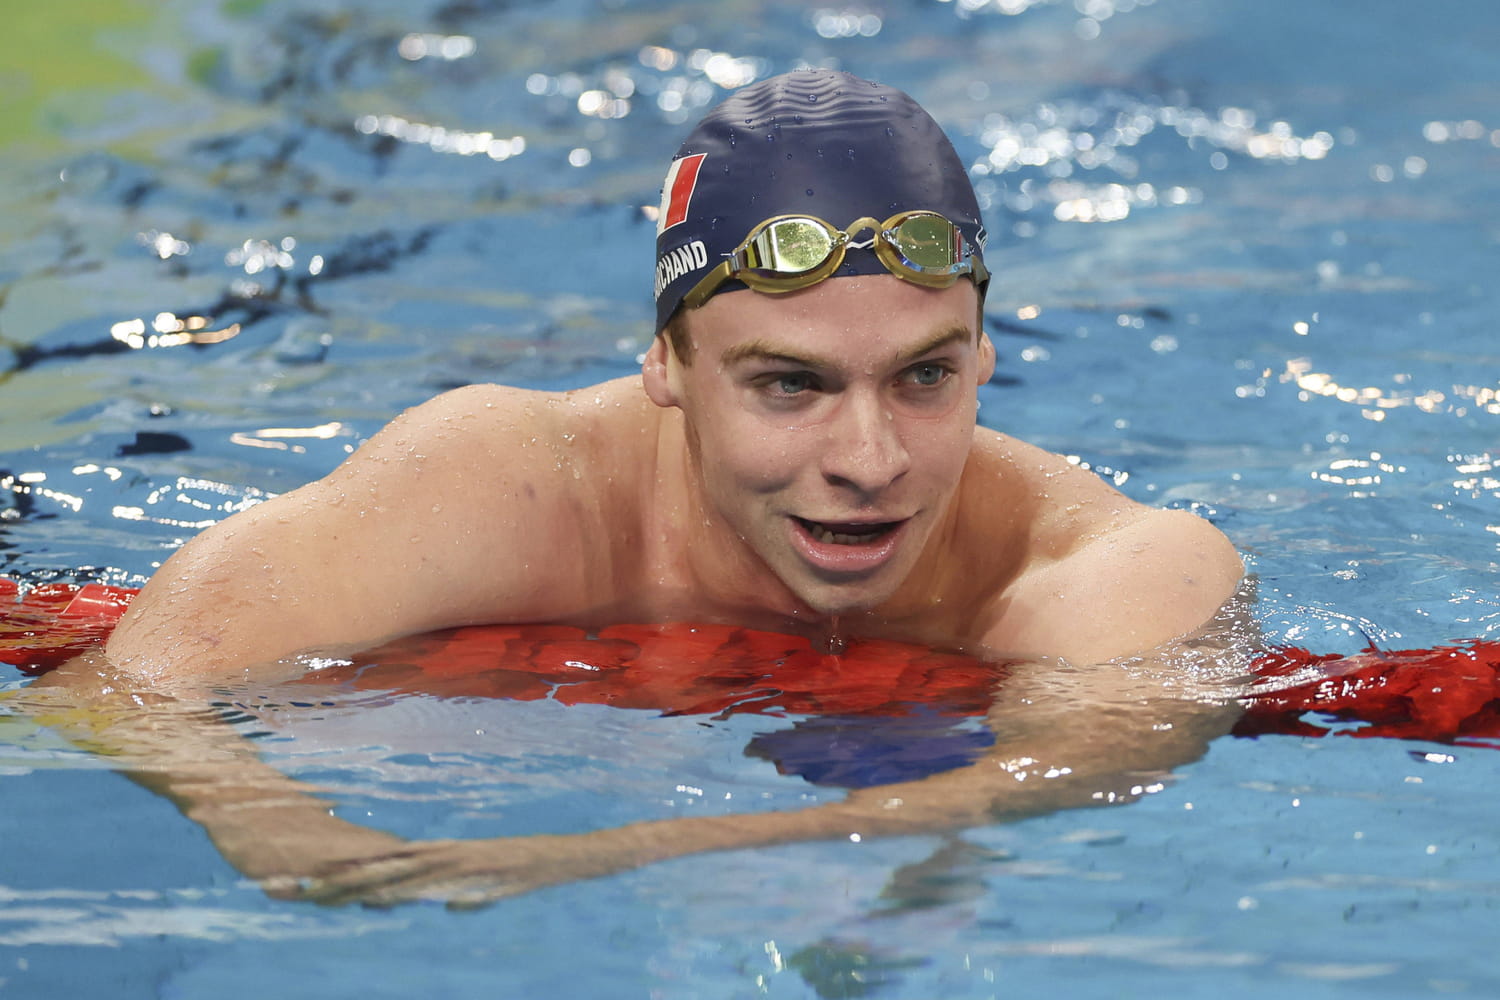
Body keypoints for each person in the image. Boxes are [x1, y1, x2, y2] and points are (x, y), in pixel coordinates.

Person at [25, 70, 1248, 906]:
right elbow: (130, 684)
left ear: (985, 359)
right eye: (789, 385)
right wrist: (300, 839)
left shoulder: (1118, 573)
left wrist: (603, 854)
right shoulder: (510, 483)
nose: (870, 460)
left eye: (925, 377)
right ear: (665, 365)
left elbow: (1030, 788)